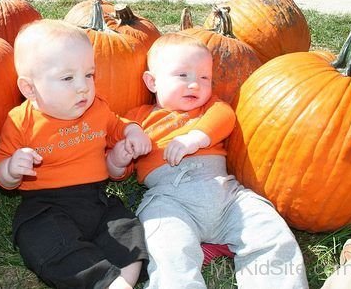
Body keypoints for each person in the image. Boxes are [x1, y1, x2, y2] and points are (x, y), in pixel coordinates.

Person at [106, 33, 309, 289]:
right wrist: (118, 158)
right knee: (168, 248)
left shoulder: (210, 108)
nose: (195, 85)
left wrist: (196, 138)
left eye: (204, 78)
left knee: (270, 232)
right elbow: (116, 172)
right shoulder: (138, 119)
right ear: (152, 82)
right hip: (170, 200)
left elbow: (225, 116)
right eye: (183, 76)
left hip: (226, 195)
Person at [0, 19, 151, 289]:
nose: (83, 87)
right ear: (29, 88)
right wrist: (10, 168)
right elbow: (1, 177)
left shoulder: (97, 109)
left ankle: (123, 281)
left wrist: (134, 132)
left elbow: (118, 125)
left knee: (127, 229)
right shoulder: (21, 122)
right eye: (68, 78)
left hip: (96, 200)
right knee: (44, 240)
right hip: (45, 205)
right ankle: (103, 281)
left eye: (89, 75)